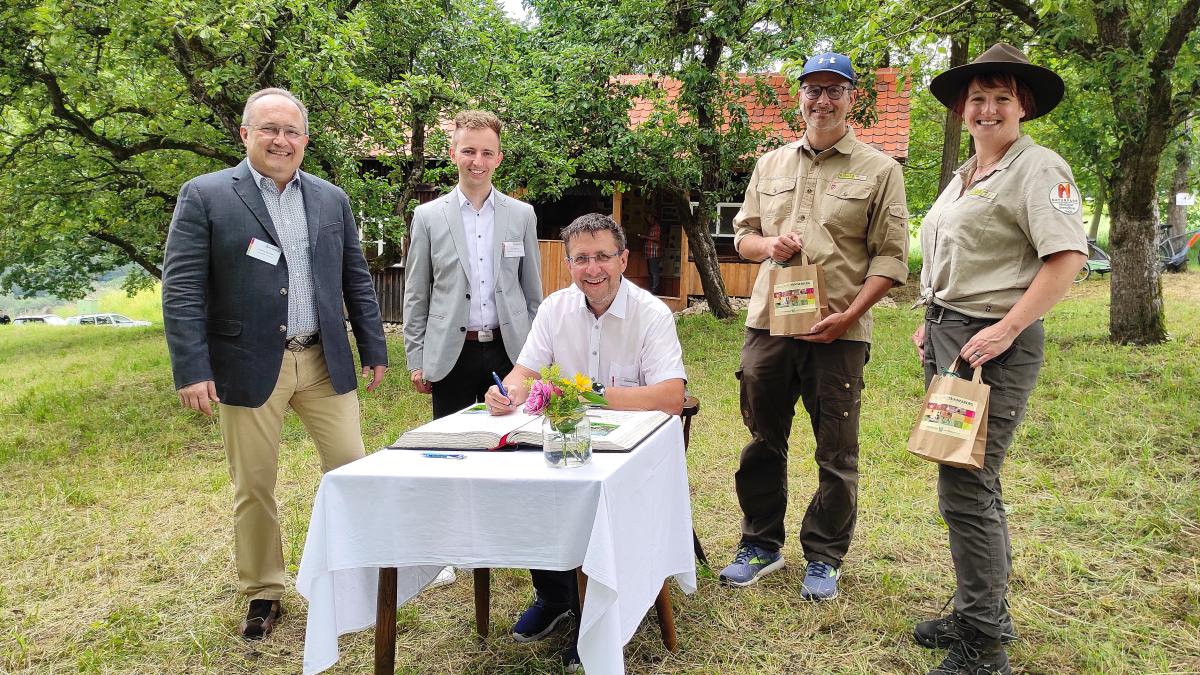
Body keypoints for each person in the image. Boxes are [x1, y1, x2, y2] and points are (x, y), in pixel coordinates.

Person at [162, 87, 388, 640]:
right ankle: (263, 591)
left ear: (305, 140)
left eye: (291, 131)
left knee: (351, 470)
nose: (280, 140)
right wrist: (193, 369)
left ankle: (353, 574)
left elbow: (355, 276)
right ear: (245, 135)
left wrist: (373, 345)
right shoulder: (206, 195)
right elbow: (182, 288)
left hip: (321, 359)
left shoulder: (332, 199)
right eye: (268, 129)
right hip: (246, 363)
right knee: (255, 484)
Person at [910, 43, 1087, 675]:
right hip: (952, 338)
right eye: (976, 99)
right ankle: (973, 608)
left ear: (1024, 107)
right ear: (962, 110)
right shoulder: (966, 174)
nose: (987, 109)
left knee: (969, 485)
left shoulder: (1038, 169)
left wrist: (1007, 329)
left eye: (1001, 98)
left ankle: (984, 643)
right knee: (960, 479)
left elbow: (1066, 258)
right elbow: (954, 256)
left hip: (992, 347)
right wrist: (930, 319)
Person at [719, 52, 910, 601]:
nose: (822, 100)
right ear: (799, 97)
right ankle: (760, 544)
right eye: (813, 89)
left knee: (837, 450)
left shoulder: (880, 170)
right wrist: (767, 245)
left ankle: (824, 556)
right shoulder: (769, 164)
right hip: (768, 325)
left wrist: (850, 315)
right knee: (762, 439)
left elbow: (891, 259)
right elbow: (743, 237)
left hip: (839, 332)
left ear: (853, 98)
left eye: (835, 89)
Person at [482, 213, 686, 667]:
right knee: (525, 483)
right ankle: (555, 597)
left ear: (624, 259)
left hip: (628, 457)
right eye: (581, 259)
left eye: (602, 257)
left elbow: (672, 396)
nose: (592, 269)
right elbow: (525, 372)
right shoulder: (555, 309)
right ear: (568, 263)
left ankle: (596, 616)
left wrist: (587, 393)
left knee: (598, 500)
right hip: (563, 444)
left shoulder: (651, 314)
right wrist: (507, 392)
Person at [403, 110, 541, 418]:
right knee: (455, 447)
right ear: (453, 154)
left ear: (498, 159)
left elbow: (533, 294)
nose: (477, 161)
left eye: (486, 153)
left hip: (509, 352)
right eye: (468, 151)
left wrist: (535, 355)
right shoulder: (428, 217)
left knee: (509, 442)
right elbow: (416, 294)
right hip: (453, 353)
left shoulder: (522, 216)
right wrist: (416, 358)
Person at [638, 214, 663, 294]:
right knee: (651, 272)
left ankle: (654, 291)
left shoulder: (656, 227)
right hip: (650, 253)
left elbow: (657, 238)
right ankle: (653, 289)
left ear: (653, 218)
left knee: (654, 272)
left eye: (649, 218)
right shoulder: (651, 227)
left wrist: (644, 237)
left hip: (654, 253)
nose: (648, 221)